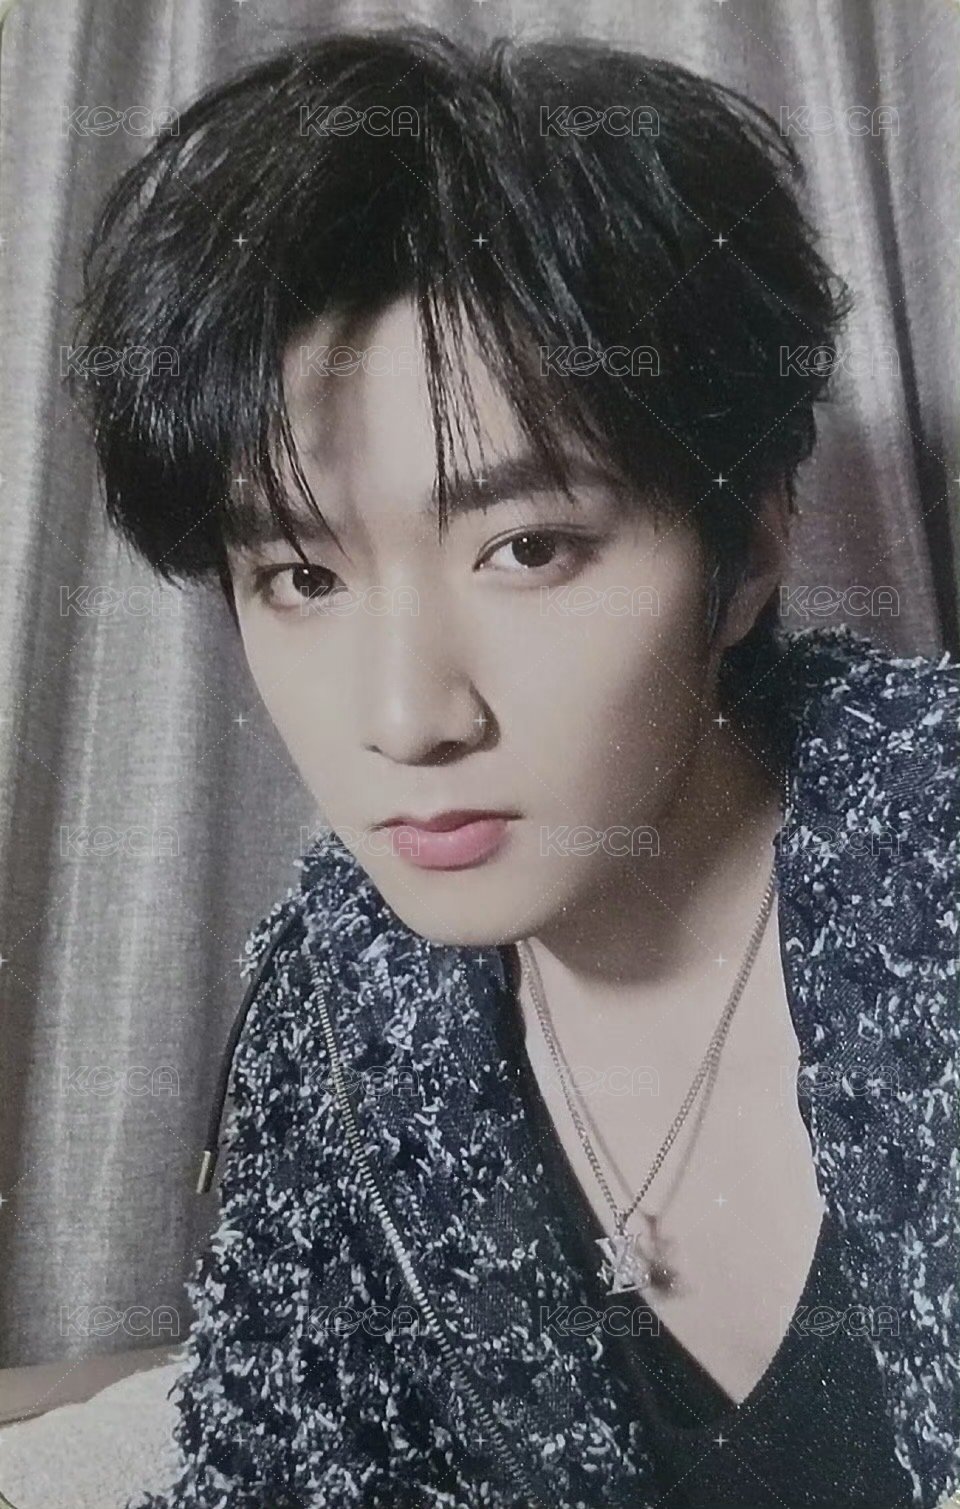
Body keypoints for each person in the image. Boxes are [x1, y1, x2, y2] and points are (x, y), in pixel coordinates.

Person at [67, 24, 959, 1509]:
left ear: (747, 550)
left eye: (528, 547)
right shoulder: (336, 1008)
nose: (406, 716)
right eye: (301, 575)